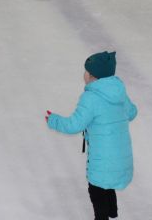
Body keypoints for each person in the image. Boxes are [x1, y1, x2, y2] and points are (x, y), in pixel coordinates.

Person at [46, 51, 138, 220]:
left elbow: (74, 125)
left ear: (92, 76)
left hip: (102, 159)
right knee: (108, 184)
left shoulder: (91, 98)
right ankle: (112, 212)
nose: (84, 74)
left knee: (97, 190)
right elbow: (132, 113)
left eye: (86, 71)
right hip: (122, 157)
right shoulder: (119, 92)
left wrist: (54, 120)